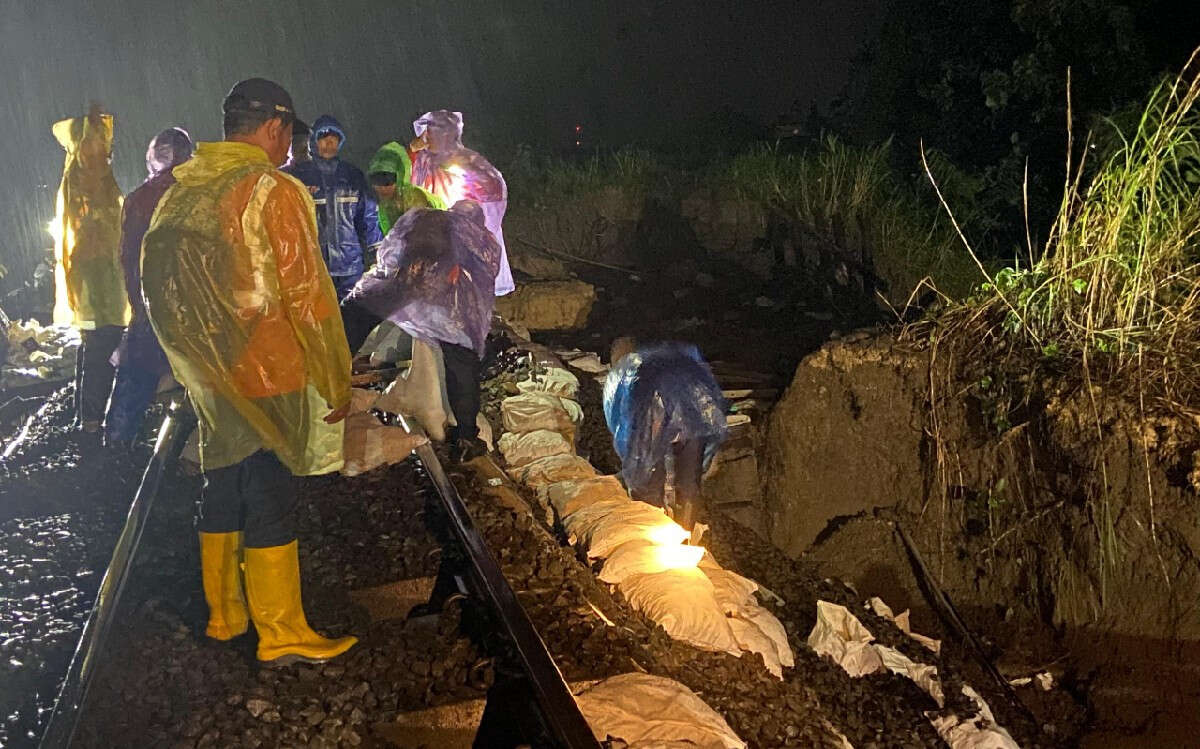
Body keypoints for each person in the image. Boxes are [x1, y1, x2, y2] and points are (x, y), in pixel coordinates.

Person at [141, 78, 356, 665]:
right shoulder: (271, 189)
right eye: (289, 133)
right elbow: (309, 296)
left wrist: (192, 363)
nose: (289, 146)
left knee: (224, 480)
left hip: (208, 374)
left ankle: (225, 614)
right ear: (274, 128)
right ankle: (282, 631)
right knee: (269, 491)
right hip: (269, 367)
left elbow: (156, 288)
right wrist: (336, 379)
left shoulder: (182, 191)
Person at [342, 201, 501, 462]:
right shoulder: (479, 237)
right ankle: (466, 438)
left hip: (404, 283)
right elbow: (487, 273)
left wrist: (392, 281)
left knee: (355, 316)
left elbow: (388, 254)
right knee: (462, 363)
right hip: (446, 298)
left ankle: (325, 386)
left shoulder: (424, 219)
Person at [103, 127, 193, 448]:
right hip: (196, 311)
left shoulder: (139, 199)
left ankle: (117, 445)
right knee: (203, 384)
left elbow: (128, 258)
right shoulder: (202, 195)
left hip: (152, 305)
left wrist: (139, 307)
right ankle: (192, 450)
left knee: (136, 376)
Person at [50, 102, 129, 435]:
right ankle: (92, 419)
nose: (103, 149)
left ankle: (87, 413)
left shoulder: (93, 178)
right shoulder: (84, 181)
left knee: (96, 341)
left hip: (102, 273)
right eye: (96, 141)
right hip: (96, 275)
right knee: (101, 341)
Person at [603, 339, 728, 531]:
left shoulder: (625, 372)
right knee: (688, 484)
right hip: (696, 414)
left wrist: (632, 461)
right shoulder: (677, 358)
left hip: (658, 408)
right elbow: (711, 399)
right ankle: (684, 535)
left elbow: (621, 419)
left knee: (649, 476)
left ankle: (656, 532)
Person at [409, 110, 514, 296]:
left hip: (464, 239)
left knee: (465, 291)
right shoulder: (424, 161)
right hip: (436, 237)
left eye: (433, 132)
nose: (428, 136)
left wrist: (473, 226)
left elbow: (494, 194)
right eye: (428, 131)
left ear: (447, 134)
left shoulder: (467, 162)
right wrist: (412, 151)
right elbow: (410, 187)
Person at [286, 115, 382, 299]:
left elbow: (368, 216)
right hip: (314, 267)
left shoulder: (353, 176)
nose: (329, 144)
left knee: (351, 318)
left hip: (350, 266)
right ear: (314, 141)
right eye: (324, 139)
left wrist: (376, 253)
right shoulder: (299, 177)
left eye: (334, 139)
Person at [367, 141, 444, 236]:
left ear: (401, 177)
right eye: (376, 179)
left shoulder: (416, 200)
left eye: (387, 180)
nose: (382, 187)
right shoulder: (383, 205)